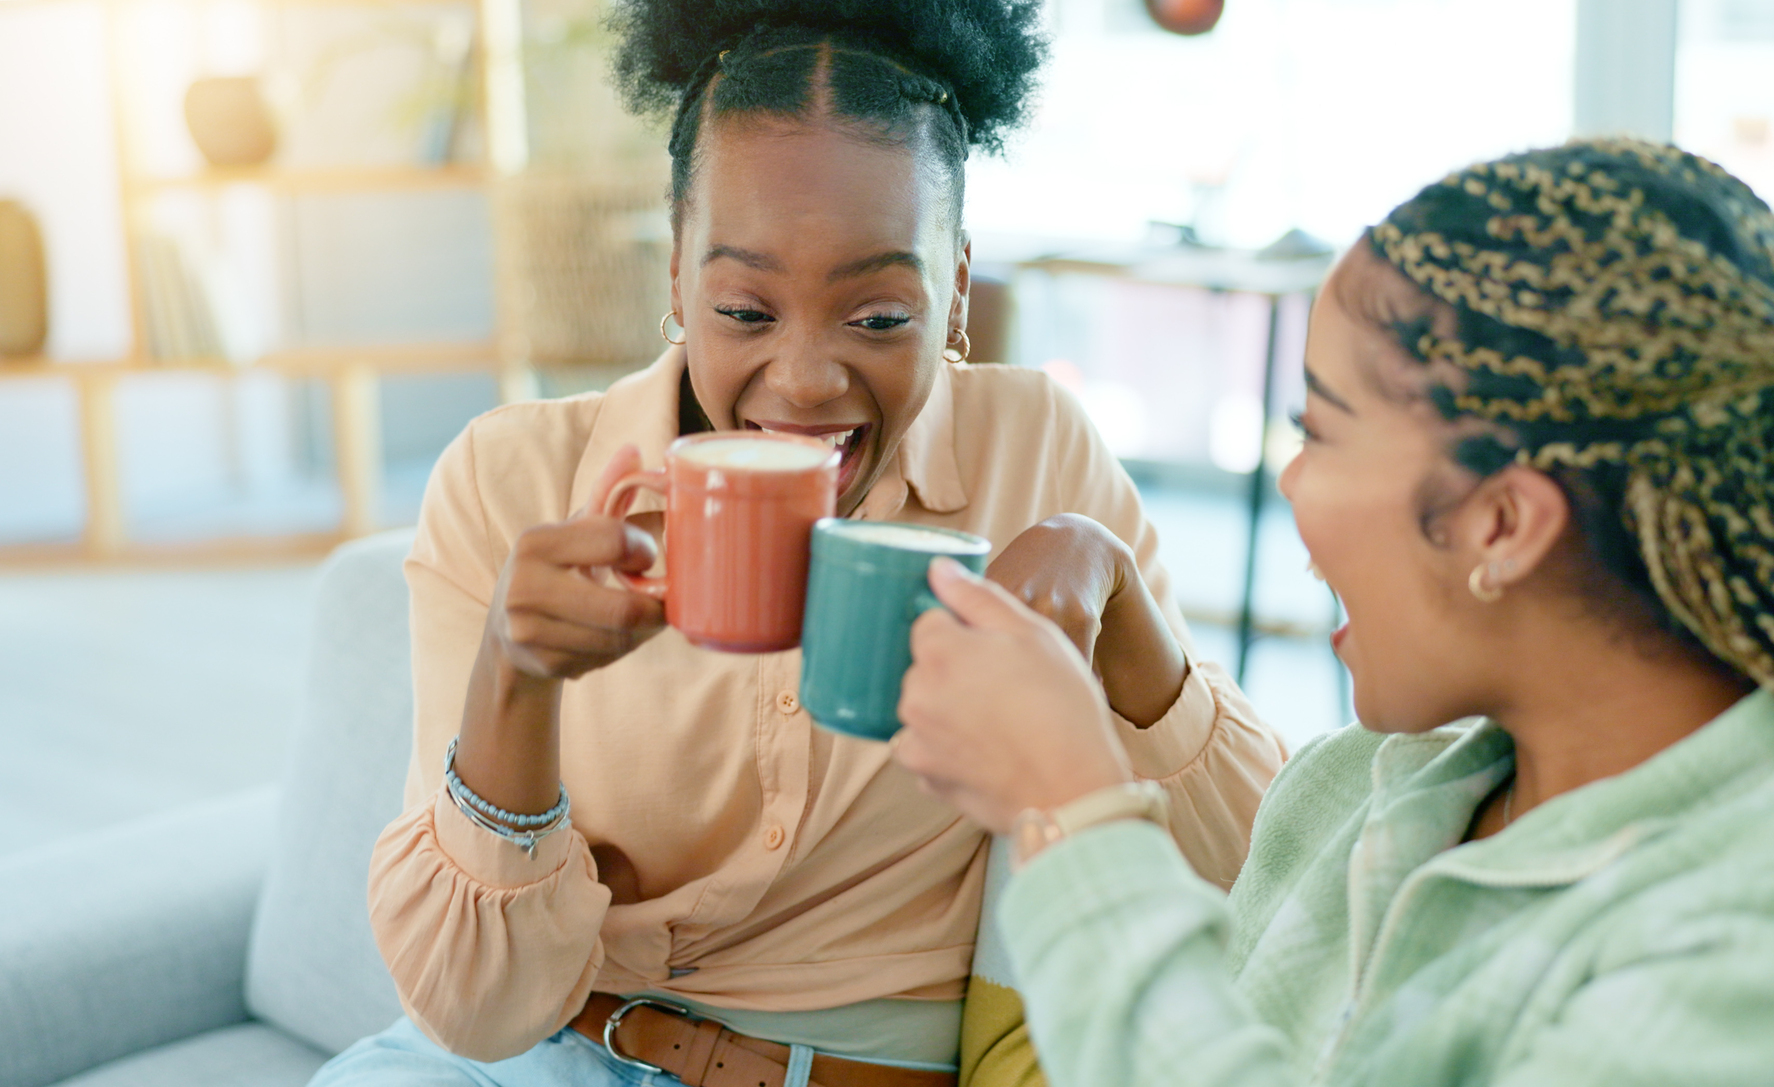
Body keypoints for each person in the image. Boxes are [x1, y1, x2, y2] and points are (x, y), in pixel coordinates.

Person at [310, 3, 1285, 1084]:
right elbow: (470, 1013)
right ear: (676, 271)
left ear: (954, 286)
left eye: (876, 317)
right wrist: (514, 678)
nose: (807, 378)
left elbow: (1263, 890)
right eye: (743, 308)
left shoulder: (1035, 453)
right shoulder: (513, 479)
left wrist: (1125, 625)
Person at [893, 139, 1774, 1085]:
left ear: (1502, 524)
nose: (1290, 482)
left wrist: (1065, 810)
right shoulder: (1356, 793)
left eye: (1319, 431)